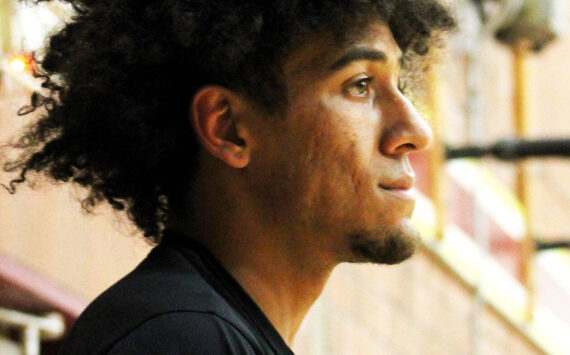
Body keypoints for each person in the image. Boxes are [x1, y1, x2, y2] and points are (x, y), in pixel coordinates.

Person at [5, 0, 455, 353]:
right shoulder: (178, 340)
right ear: (228, 128)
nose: (415, 132)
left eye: (401, 85)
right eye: (359, 84)